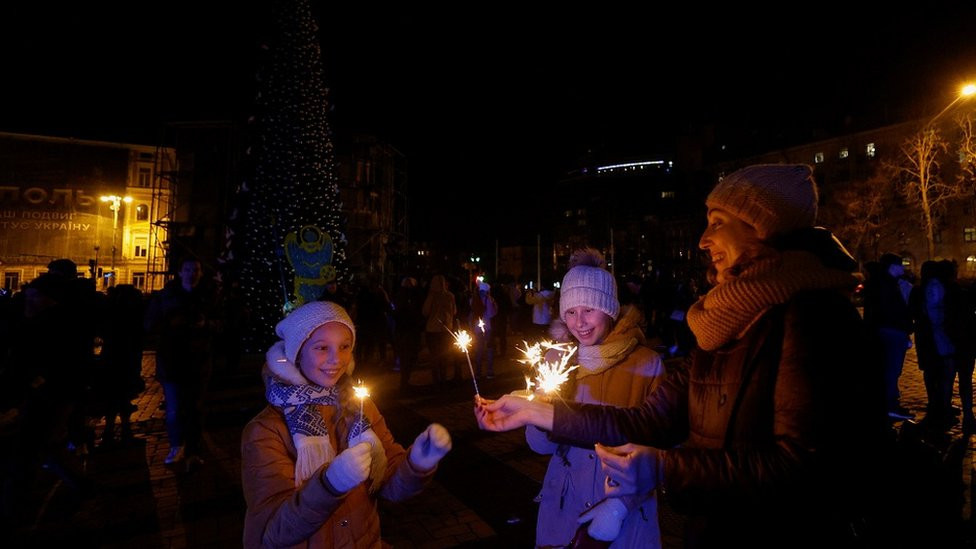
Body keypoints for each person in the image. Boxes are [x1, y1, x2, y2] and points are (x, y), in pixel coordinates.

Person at [475, 164, 888, 548]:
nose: (703, 240)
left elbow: (805, 470)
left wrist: (663, 469)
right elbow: (647, 421)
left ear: (762, 228)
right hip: (715, 531)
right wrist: (534, 412)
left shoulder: (813, 316)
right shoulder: (722, 322)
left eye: (717, 223)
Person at [241, 301, 451, 548]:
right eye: (321, 347)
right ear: (296, 353)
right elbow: (271, 535)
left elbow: (387, 483)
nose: (336, 360)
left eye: (344, 347)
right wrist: (330, 485)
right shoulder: (265, 431)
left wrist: (417, 463)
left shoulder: (358, 407)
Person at [525, 248, 665, 548]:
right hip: (565, 506)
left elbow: (662, 450)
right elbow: (538, 446)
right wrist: (538, 412)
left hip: (623, 512)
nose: (580, 322)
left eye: (589, 309)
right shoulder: (558, 359)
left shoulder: (647, 363)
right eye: (571, 312)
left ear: (610, 309)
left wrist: (620, 506)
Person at [144, 258, 215, 468]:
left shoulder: (208, 297)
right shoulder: (166, 297)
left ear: (200, 273)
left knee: (195, 408)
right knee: (174, 408)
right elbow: (149, 324)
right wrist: (170, 323)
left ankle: (193, 450)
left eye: (196, 269)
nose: (192, 273)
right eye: (187, 269)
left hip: (198, 361)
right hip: (172, 359)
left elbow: (222, 323)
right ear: (180, 271)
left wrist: (207, 324)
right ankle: (176, 446)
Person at [863, 252, 914, 420]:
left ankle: (889, 403)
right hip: (892, 331)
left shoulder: (881, 283)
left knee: (889, 369)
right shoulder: (887, 285)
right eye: (900, 265)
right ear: (892, 267)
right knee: (891, 370)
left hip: (886, 330)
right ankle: (890, 405)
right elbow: (894, 310)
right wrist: (905, 328)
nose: (903, 267)